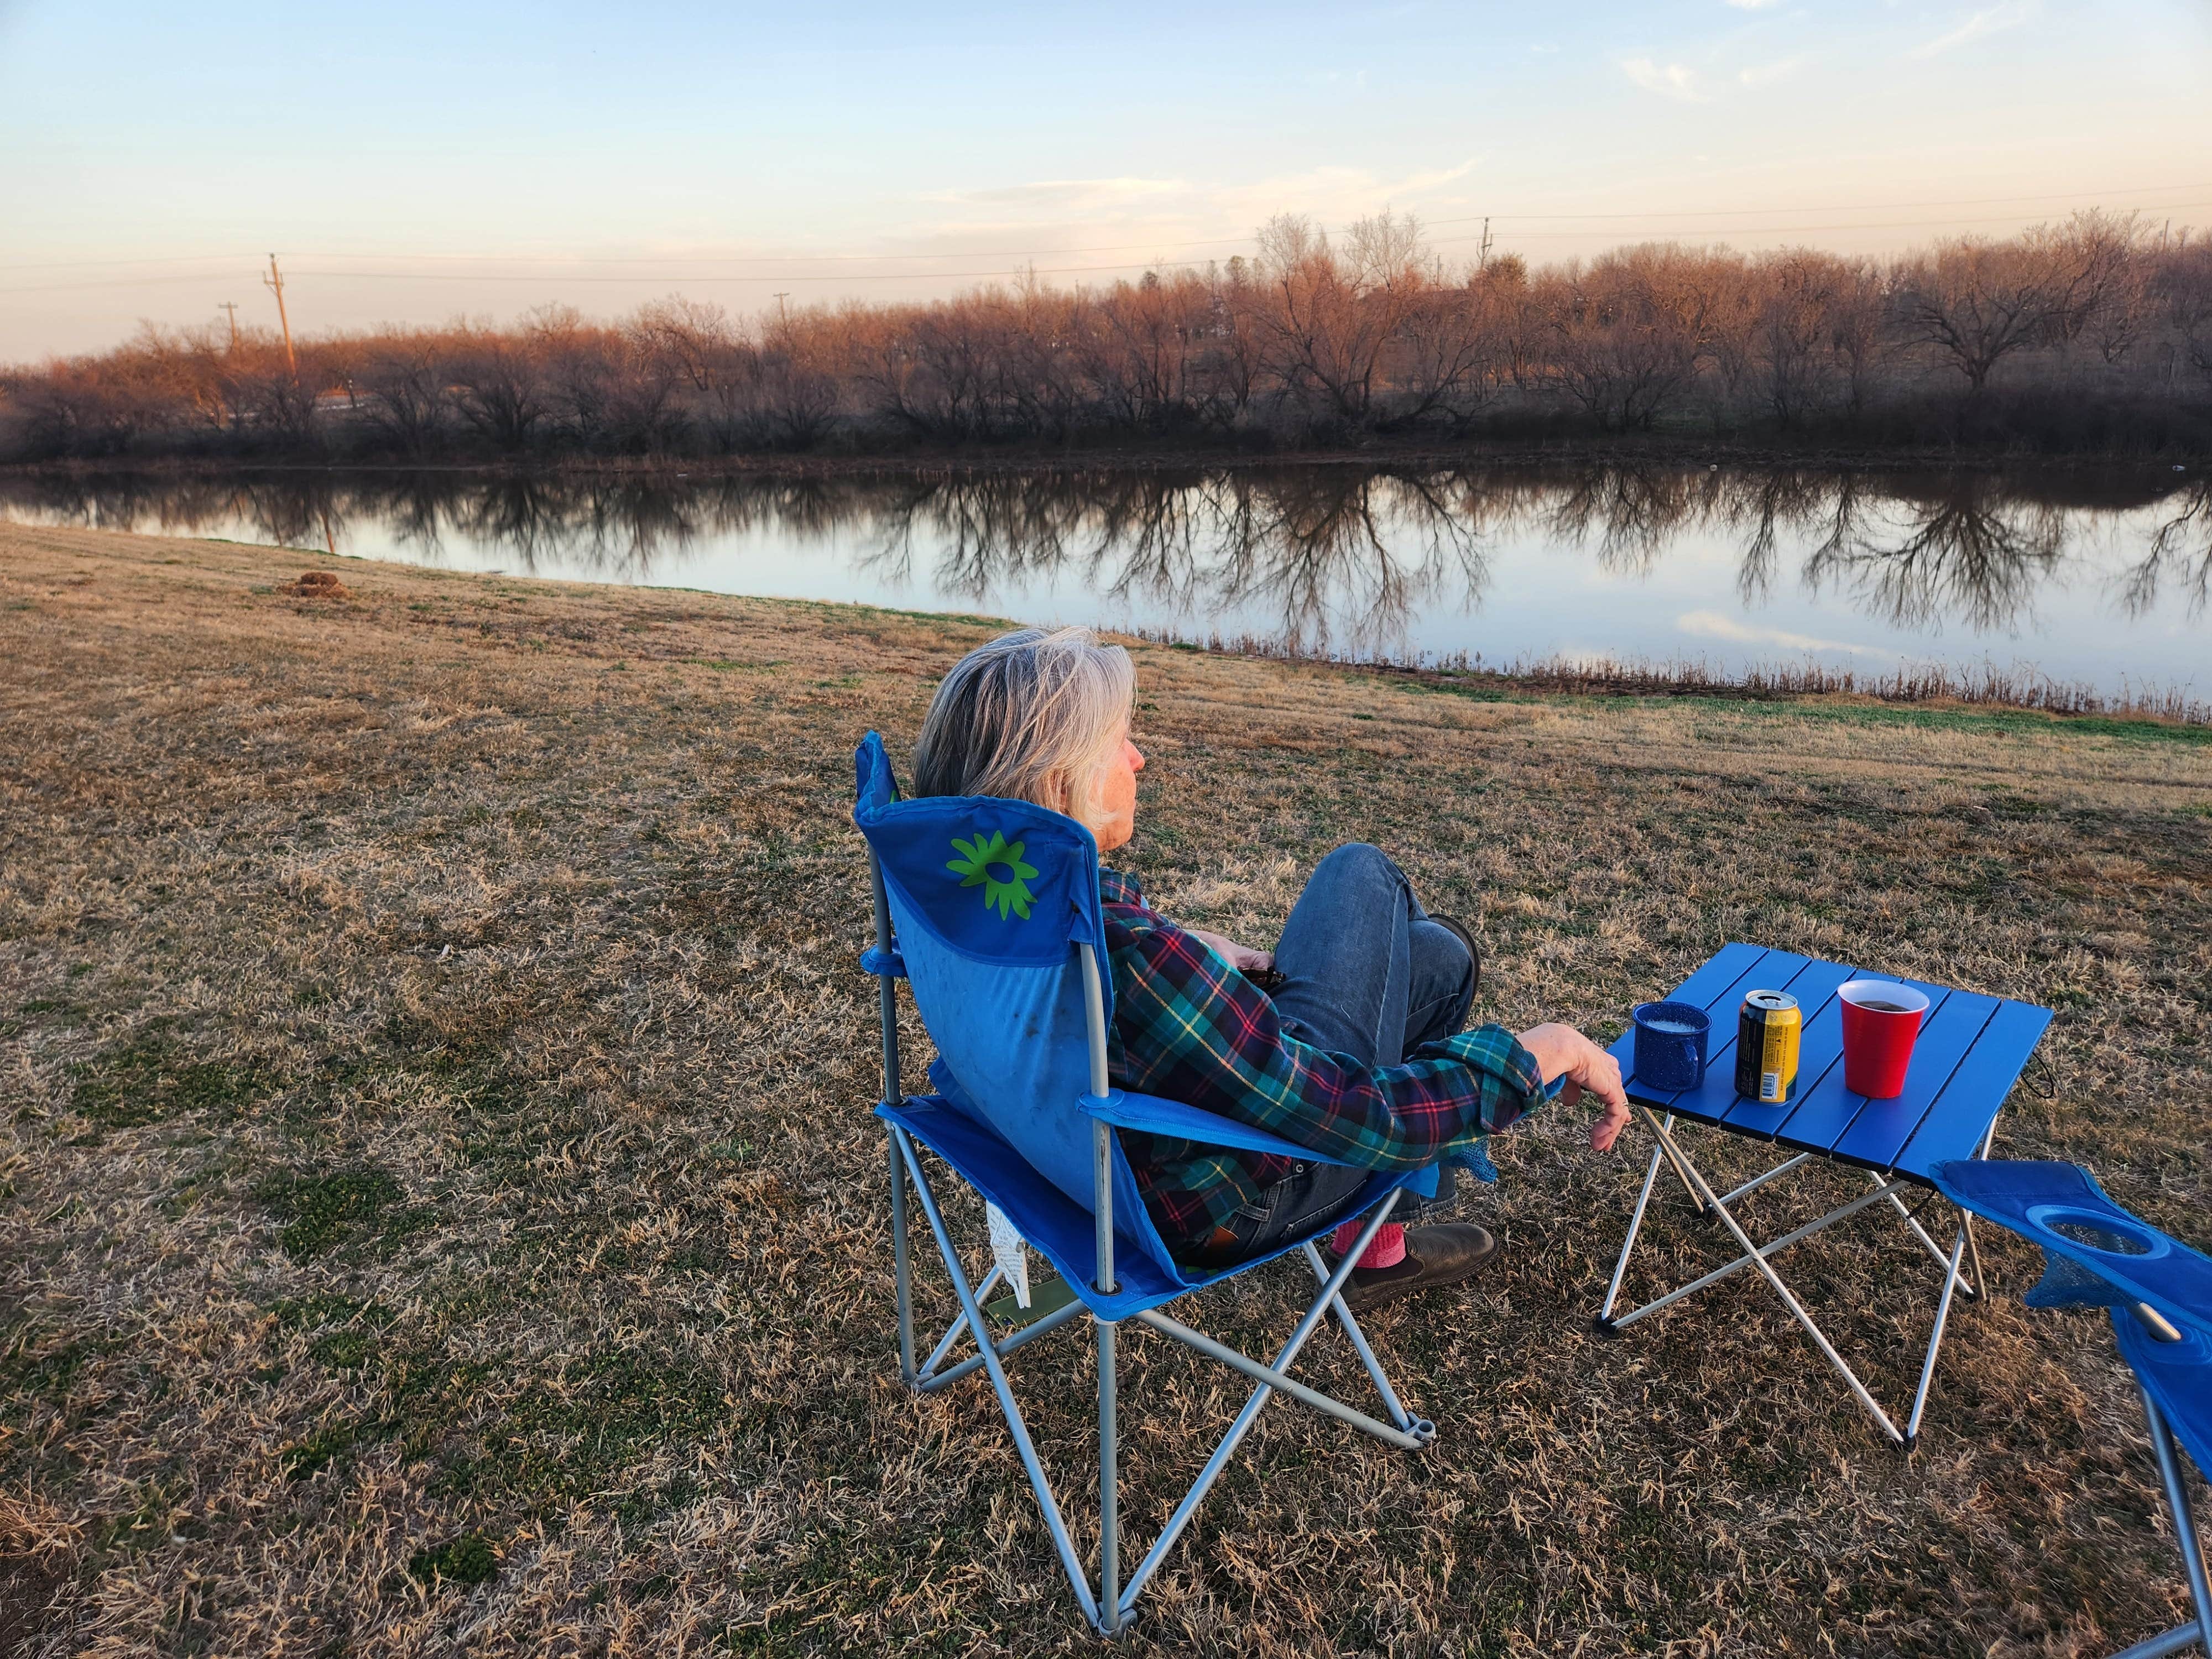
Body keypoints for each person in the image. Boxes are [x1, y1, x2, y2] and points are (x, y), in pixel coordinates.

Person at [911, 626, 1630, 1312]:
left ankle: (1377, 1251)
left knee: (1436, 956)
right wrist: (1541, 1055)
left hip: (1073, 1158)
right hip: (1234, 1193)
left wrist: (1187, 943)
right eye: (1118, 742)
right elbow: (1355, 1113)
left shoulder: (972, 909)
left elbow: (1111, 971)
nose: (1138, 760)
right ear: (1059, 783)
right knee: (1362, 872)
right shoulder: (1130, 959)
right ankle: (1370, 1242)